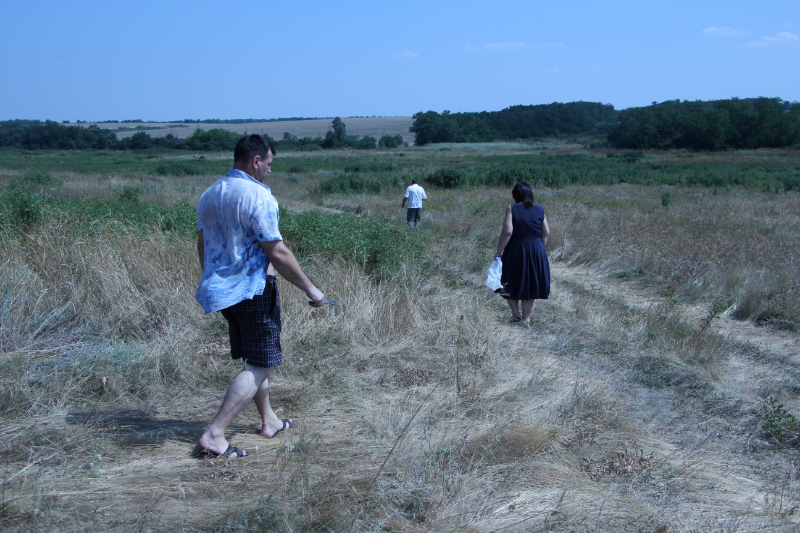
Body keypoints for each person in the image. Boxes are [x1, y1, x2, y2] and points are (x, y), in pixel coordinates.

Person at [195, 134, 324, 459]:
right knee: (262, 363)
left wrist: (211, 278)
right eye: (268, 163)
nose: (269, 170)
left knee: (254, 359)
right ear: (256, 161)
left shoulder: (210, 194)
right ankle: (215, 434)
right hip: (252, 290)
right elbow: (277, 253)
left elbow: (204, 244)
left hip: (222, 291)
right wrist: (311, 289)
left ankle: (269, 420)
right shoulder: (258, 196)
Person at [494, 182, 550, 327]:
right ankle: (526, 320)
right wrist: (541, 250)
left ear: (515, 194)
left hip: (516, 249)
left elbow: (507, 232)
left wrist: (499, 252)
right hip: (537, 249)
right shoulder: (540, 209)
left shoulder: (512, 208)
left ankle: (515, 313)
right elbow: (546, 233)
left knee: (507, 280)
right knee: (531, 284)